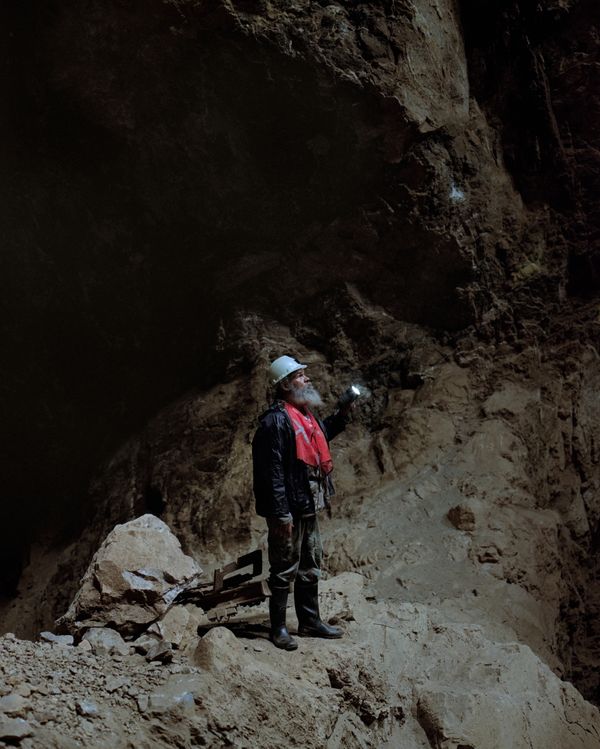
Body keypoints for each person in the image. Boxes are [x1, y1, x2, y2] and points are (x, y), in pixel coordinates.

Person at [252, 355, 354, 650]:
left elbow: (321, 437)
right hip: (288, 509)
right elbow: (271, 473)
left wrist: (342, 413)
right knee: (284, 567)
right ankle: (279, 628)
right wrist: (280, 514)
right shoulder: (275, 421)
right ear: (285, 384)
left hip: (307, 502)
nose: (306, 379)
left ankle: (309, 622)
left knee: (310, 562)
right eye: (299, 375)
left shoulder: (304, 416)